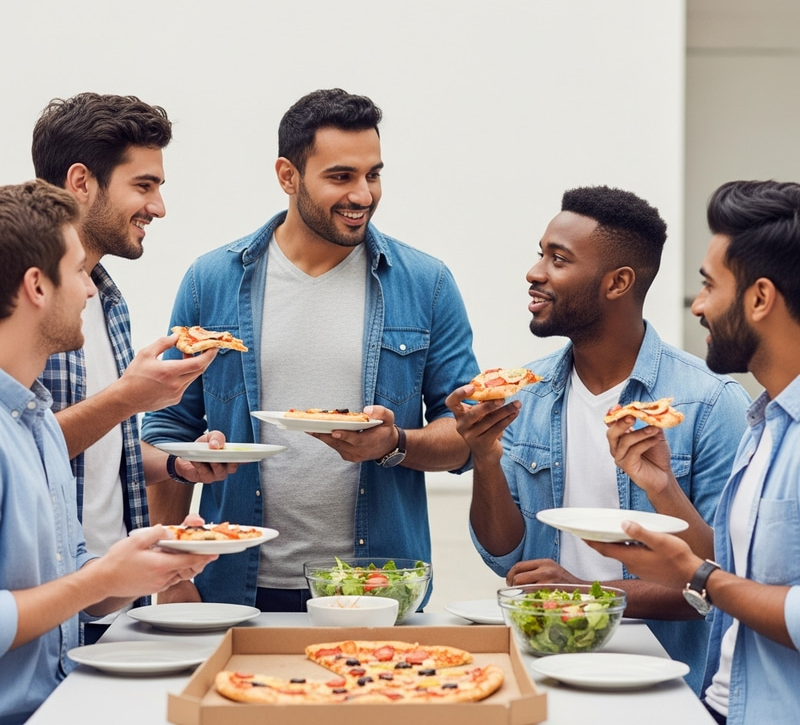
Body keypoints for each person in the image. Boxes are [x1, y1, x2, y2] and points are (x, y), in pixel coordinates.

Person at [141, 88, 479, 611]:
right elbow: (167, 433)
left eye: (374, 174)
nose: (363, 195)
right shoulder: (210, 281)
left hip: (377, 592)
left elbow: (466, 434)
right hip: (232, 590)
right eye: (341, 176)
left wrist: (395, 444)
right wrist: (168, 576)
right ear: (287, 176)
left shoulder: (427, 284)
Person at [445, 186, 751, 693]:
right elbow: (506, 556)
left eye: (558, 259)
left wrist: (586, 593)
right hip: (547, 661)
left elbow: (721, 580)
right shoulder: (528, 393)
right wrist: (485, 458)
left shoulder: (712, 403)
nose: (535, 272)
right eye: (540, 254)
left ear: (618, 283)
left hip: (665, 680)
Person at [0, 180, 216, 725]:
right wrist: (99, 579)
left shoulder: (38, 425)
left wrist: (143, 568)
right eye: (78, 272)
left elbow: (74, 587)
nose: (90, 291)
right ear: (36, 286)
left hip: (63, 701)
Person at [592, 180, 800, 725]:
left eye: (709, 285)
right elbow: (736, 573)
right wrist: (662, 488)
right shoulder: (765, 424)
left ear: (759, 298)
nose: (699, 305)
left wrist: (694, 575)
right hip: (719, 702)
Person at [31, 93, 232, 642]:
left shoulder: (106, 300)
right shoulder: (28, 309)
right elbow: (22, 453)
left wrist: (174, 466)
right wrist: (129, 397)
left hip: (107, 605)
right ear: (82, 182)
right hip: (44, 614)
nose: (159, 206)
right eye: (144, 186)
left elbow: (93, 446)